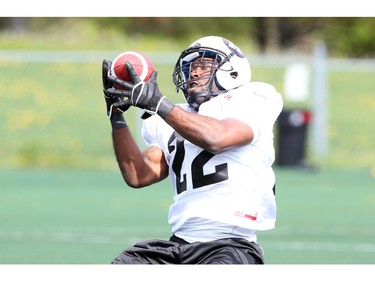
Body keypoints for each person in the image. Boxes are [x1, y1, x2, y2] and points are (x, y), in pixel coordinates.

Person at [101, 35, 283, 264]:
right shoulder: (173, 117)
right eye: (189, 67)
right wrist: (116, 117)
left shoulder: (254, 98)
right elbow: (138, 175)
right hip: (178, 244)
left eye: (203, 66)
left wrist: (159, 103)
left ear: (233, 72)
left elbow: (218, 137)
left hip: (230, 244)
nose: (193, 73)